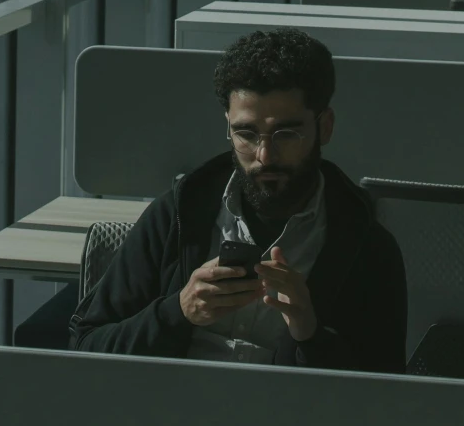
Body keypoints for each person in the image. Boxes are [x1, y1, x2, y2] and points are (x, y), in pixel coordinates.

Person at [67, 26, 406, 370]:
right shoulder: (179, 214)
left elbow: (384, 401)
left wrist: (310, 335)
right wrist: (179, 311)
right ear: (227, 125)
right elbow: (85, 345)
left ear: (325, 127)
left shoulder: (367, 247)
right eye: (246, 133)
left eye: (286, 134)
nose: (264, 155)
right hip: (168, 415)